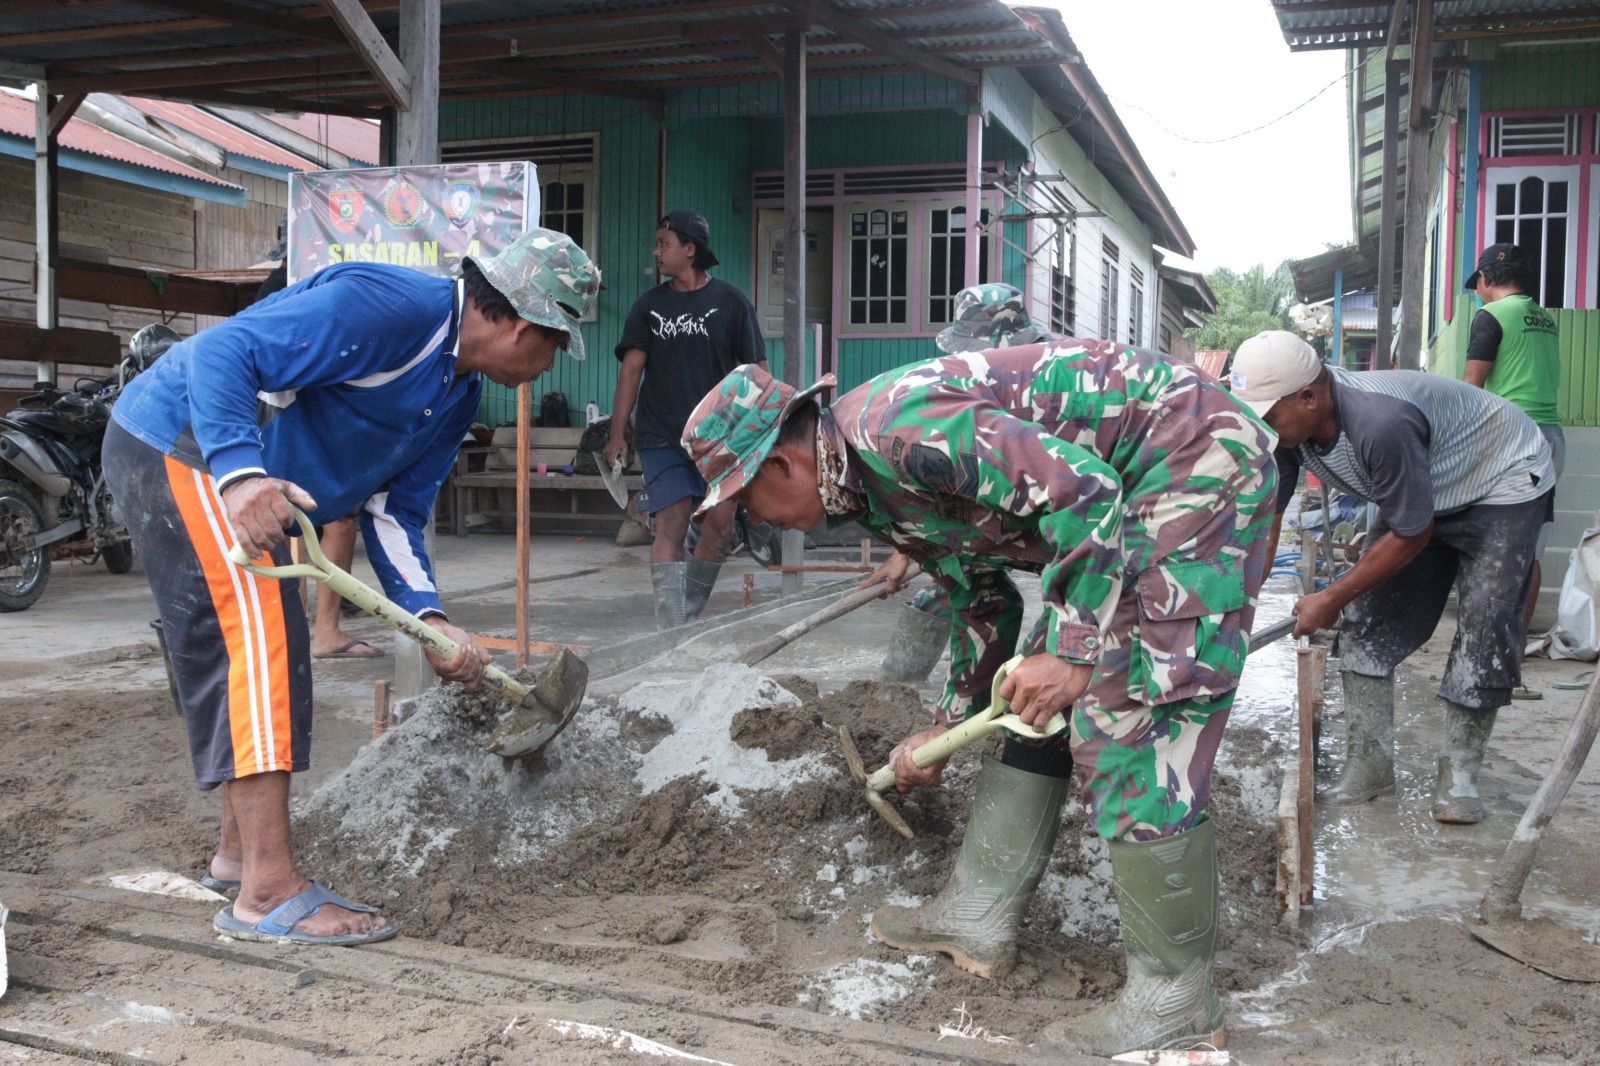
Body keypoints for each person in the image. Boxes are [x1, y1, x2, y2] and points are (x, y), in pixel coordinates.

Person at [682, 342, 1277, 1057]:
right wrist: (948, 726)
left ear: (781, 465)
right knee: (1035, 702)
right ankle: (977, 915)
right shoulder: (864, 486)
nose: (755, 519)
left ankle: (1176, 1003)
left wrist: (1073, 649)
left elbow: (1084, 493)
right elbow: (981, 596)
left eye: (745, 500)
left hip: (1189, 456)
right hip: (1124, 493)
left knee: (1130, 714)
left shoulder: (900, 433)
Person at [103, 228, 601, 945]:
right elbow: (222, 351)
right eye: (554, 347)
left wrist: (429, 620)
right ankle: (267, 893)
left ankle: (238, 859)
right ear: (524, 326)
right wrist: (240, 473)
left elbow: (395, 513)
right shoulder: (391, 309)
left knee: (266, 650)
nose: (550, 367)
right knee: (260, 656)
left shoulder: (457, 394)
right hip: (183, 448)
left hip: (221, 470)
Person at [1232, 330, 1555, 825]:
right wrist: (1240, 610)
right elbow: (1267, 523)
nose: (1263, 428)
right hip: (1424, 486)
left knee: (1486, 621)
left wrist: (1330, 597)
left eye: (1268, 415)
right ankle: (1370, 767)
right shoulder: (1287, 432)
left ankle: (1460, 776)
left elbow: (1412, 532)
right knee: (1368, 621)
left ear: (1308, 397)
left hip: (1500, 476)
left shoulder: (1380, 422)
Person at [880, 282, 1059, 681]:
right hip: (999, 509)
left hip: (1072, 516)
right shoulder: (964, 383)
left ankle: (1031, 699)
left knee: (1068, 609)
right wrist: (906, 549)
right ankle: (893, 693)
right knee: (954, 581)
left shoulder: (1055, 380)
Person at [603, 210, 766, 628]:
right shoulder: (649, 306)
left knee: (721, 529)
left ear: (690, 249)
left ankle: (686, 613)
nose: (656, 252)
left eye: (664, 244)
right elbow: (630, 373)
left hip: (721, 438)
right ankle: (670, 628)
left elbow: (758, 372)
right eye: (657, 244)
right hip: (662, 434)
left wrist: (761, 432)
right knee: (669, 526)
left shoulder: (732, 302)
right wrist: (618, 433)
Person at [1463, 243, 1564, 639]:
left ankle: (1491, 642)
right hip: (1551, 438)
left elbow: (1471, 387)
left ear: (1486, 278)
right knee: (1530, 547)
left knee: (1497, 543)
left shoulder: (1490, 316)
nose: (1478, 292)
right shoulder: (1545, 319)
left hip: (1514, 438)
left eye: (1478, 284)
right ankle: (1513, 645)